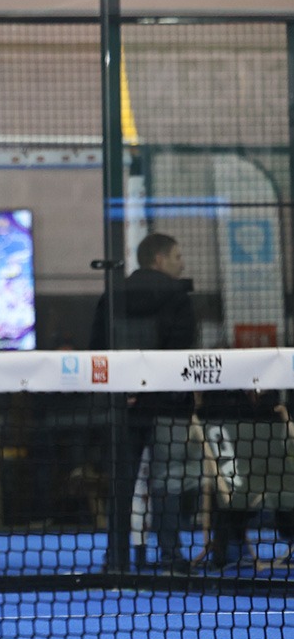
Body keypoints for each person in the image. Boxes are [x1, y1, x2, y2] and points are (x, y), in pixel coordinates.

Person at [90, 232, 198, 573]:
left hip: (125, 406)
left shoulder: (113, 294)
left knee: (121, 481)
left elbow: (98, 346)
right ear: (160, 259)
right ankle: (170, 555)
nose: (183, 263)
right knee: (169, 479)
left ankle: (117, 557)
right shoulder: (180, 297)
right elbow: (181, 353)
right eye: (178, 256)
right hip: (169, 407)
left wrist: (125, 389)